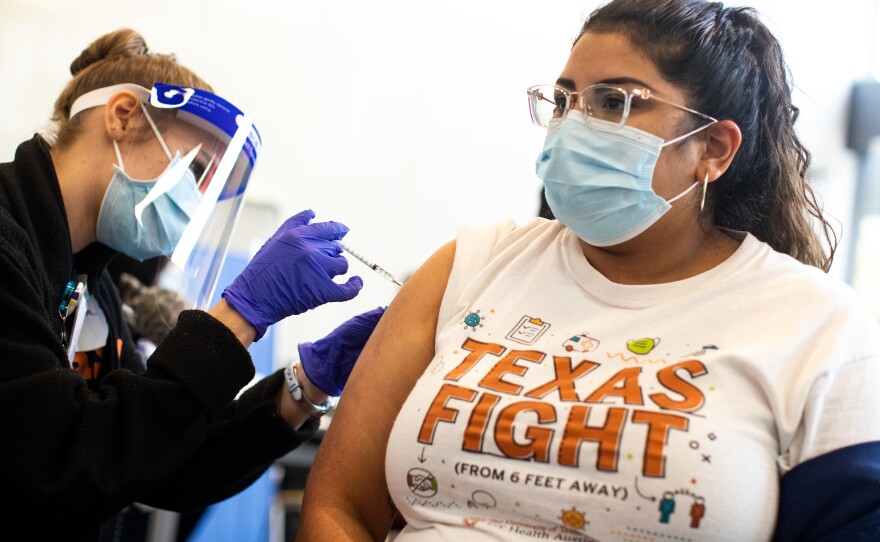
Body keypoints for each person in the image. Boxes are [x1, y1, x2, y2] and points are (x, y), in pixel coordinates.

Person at [298, 1, 880, 540]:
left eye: (615, 102)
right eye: (564, 99)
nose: (574, 125)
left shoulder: (817, 324)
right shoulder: (473, 264)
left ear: (714, 149)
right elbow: (337, 506)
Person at [0, 28, 385, 540]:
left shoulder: (91, 285)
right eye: (198, 169)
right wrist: (239, 317)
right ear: (123, 115)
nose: (198, 202)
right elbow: (59, 460)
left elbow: (160, 462)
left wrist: (305, 384)